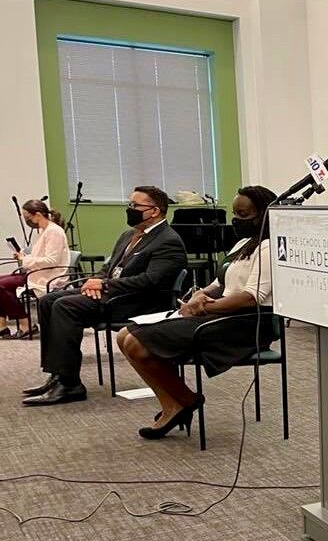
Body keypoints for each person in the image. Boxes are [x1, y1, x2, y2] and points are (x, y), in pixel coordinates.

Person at [116, 185, 277, 439]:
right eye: (234, 213)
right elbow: (219, 284)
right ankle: (173, 403)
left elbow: (251, 297)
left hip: (247, 324)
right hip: (219, 314)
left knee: (136, 343)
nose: (236, 220)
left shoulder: (268, 248)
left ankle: (184, 401)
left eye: (244, 215)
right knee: (124, 335)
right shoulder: (244, 243)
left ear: (264, 214)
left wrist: (204, 307)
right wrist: (198, 295)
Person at [22, 186, 187, 406]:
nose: (129, 209)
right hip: (112, 292)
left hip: (137, 302)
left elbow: (150, 281)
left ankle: (70, 384)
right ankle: (57, 374)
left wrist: (104, 284)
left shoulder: (168, 240)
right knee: (47, 301)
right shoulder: (130, 234)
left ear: (154, 211)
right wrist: (96, 281)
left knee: (65, 306)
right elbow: (108, 267)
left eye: (134, 205)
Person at [0, 199, 70, 338]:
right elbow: (41, 256)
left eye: (27, 217)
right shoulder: (43, 231)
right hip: (37, 272)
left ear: (37, 214)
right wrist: (24, 256)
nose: (27, 220)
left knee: (1, 285)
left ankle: (26, 324)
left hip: (48, 277)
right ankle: (2, 325)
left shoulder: (53, 232)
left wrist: (25, 260)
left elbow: (51, 261)